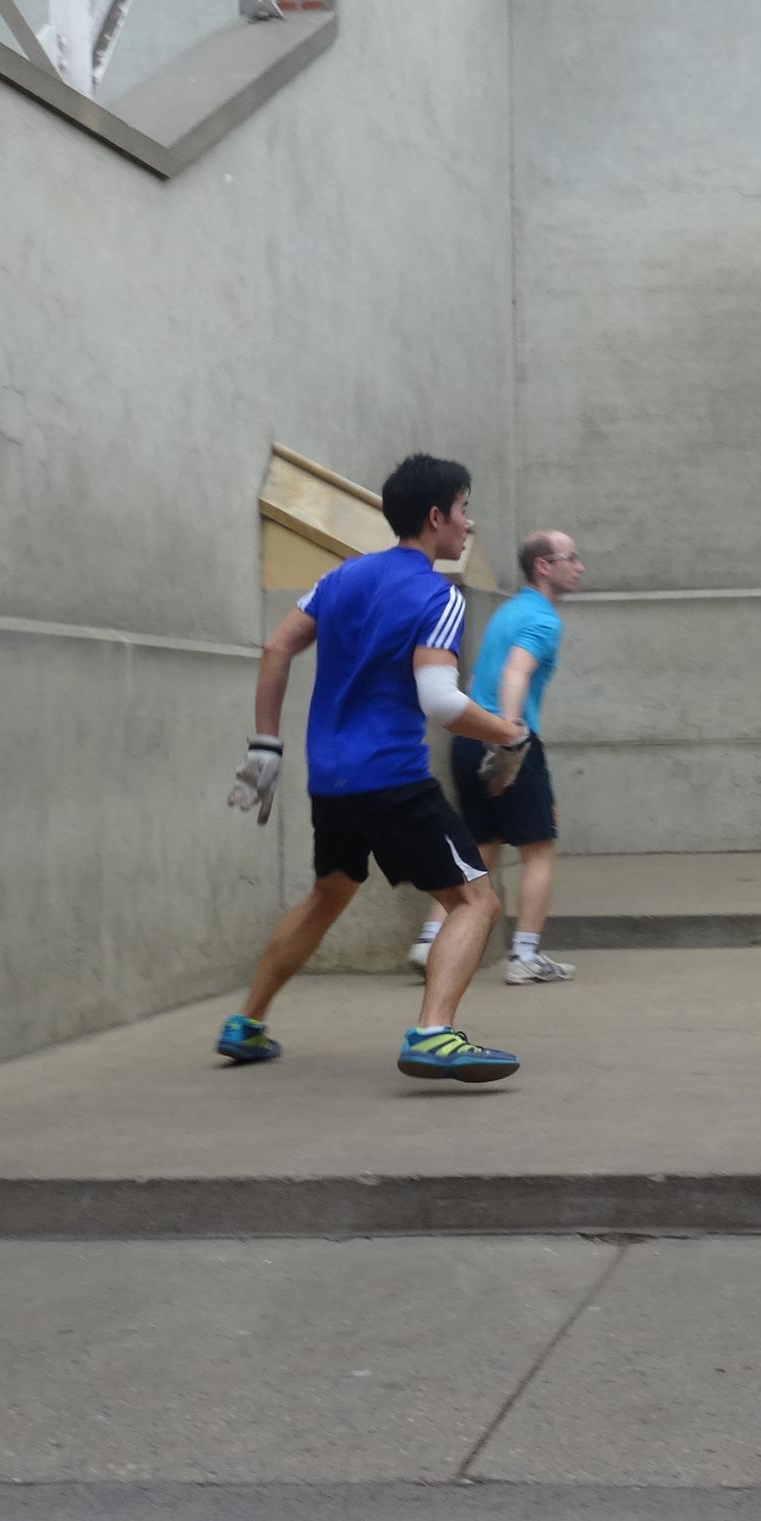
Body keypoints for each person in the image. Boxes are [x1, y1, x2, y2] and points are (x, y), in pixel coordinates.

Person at [215, 452, 537, 1082]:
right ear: (436, 516)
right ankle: (434, 1035)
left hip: (331, 780)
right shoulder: (436, 595)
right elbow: (441, 702)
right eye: (464, 512)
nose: (469, 526)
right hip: (392, 780)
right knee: (476, 901)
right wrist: (510, 734)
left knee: (329, 893)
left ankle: (246, 1024)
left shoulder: (341, 578)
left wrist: (265, 747)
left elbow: (277, 646)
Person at [420, 529, 587, 985]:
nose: (580, 566)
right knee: (539, 849)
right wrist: (510, 741)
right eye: (571, 558)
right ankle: (525, 957)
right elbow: (516, 673)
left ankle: (431, 939)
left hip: (467, 738)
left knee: (479, 848)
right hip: (506, 738)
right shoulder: (544, 621)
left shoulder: (507, 611)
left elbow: (483, 675)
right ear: (543, 567)